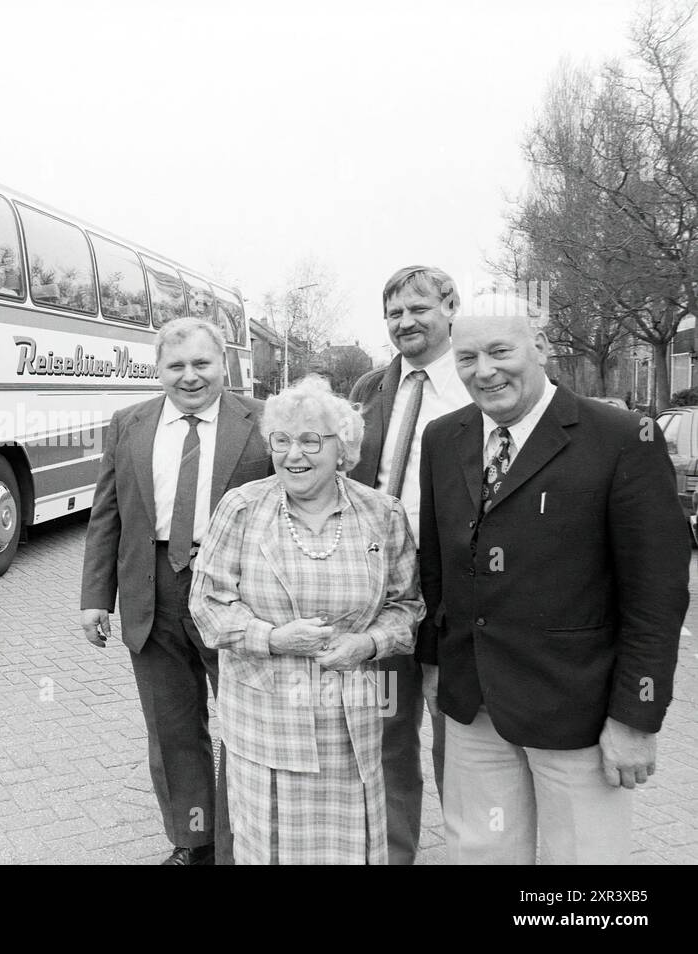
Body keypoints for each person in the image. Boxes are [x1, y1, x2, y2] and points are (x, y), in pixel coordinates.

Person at [418, 294, 690, 864]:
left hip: (578, 711)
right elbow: (438, 569)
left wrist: (636, 717)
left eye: (499, 351)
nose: (484, 370)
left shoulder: (622, 438)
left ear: (540, 347)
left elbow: (656, 593)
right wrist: (433, 666)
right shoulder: (443, 438)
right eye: (467, 357)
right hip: (475, 706)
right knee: (482, 852)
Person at [189, 376, 423, 863]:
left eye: (311, 441)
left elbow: (407, 606)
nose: (294, 454)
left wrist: (369, 644)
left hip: (350, 721)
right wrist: (272, 637)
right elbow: (207, 607)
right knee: (269, 849)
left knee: (348, 849)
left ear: (343, 449)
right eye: (282, 440)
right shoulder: (241, 508)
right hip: (265, 720)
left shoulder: (383, 513)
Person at [80, 316, 271, 865]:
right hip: (154, 589)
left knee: (246, 726)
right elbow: (106, 515)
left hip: (237, 592)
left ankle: (242, 845)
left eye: (202, 364)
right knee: (172, 728)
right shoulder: (128, 424)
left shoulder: (259, 421)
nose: (190, 377)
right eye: (176, 365)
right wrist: (96, 597)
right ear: (158, 370)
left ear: (224, 366)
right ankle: (194, 844)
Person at [347, 265, 471, 865]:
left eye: (419, 308)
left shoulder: (479, 380)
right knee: (388, 739)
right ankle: (395, 856)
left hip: (456, 591)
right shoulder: (372, 389)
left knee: (462, 744)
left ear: (451, 307)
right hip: (382, 591)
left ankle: (476, 850)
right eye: (394, 313)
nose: (405, 322)